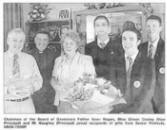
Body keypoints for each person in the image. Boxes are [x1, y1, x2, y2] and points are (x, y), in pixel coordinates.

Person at [110, 23, 156, 113]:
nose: (127, 42)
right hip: (119, 110)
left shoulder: (148, 62)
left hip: (141, 112)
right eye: (124, 39)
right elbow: (112, 86)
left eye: (131, 39)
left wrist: (132, 112)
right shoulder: (115, 61)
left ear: (138, 42)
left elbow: (148, 92)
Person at [51, 30, 96, 113]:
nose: (68, 46)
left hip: (79, 104)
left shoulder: (86, 60)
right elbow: (53, 79)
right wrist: (57, 86)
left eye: (71, 43)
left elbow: (91, 82)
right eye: (65, 43)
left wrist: (75, 86)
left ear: (76, 46)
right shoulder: (58, 60)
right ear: (62, 45)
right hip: (62, 102)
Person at [4, 28, 43, 113]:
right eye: (15, 40)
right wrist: (7, 90)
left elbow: (39, 80)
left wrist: (33, 88)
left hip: (27, 105)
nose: (18, 44)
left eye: (21, 41)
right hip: (6, 105)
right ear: (8, 41)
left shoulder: (30, 59)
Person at [138, 15, 165, 113]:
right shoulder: (140, 48)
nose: (151, 29)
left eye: (154, 26)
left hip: (161, 100)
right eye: (148, 26)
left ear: (160, 28)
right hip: (143, 99)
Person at [29, 31, 60, 113]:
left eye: (45, 40)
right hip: (34, 95)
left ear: (48, 41)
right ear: (35, 40)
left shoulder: (55, 55)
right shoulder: (28, 55)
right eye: (39, 39)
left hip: (50, 95)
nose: (41, 42)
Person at [85, 15, 119, 80]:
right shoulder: (88, 47)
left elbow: (120, 72)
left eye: (103, 25)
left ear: (109, 28)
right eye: (97, 25)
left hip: (113, 87)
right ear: (94, 29)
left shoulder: (118, 46)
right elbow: (88, 70)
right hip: (95, 86)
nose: (100, 28)